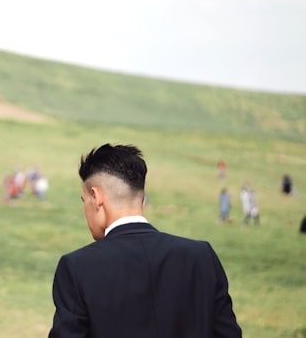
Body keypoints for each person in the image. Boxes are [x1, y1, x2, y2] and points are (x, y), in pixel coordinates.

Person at [48, 143, 241, 338]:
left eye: (84, 201)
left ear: (96, 197)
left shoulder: (77, 267)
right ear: (142, 200)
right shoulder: (201, 256)